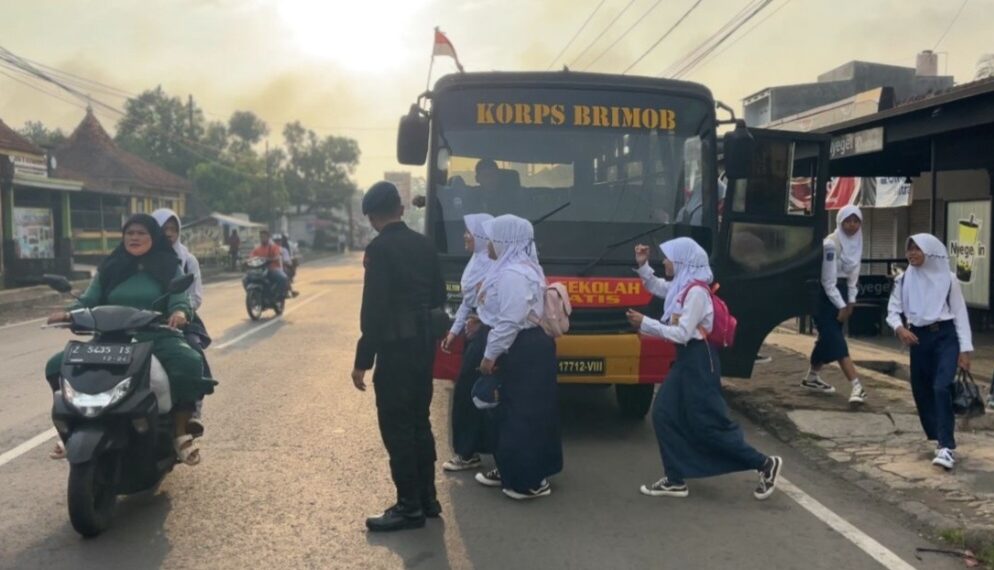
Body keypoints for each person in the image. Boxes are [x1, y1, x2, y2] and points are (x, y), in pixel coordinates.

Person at [45, 214, 215, 464]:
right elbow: (89, 298)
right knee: (56, 365)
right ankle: (70, 427)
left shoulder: (169, 265)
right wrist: (69, 312)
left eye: (141, 233)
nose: (134, 238)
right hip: (110, 337)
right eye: (129, 233)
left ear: (153, 237)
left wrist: (179, 312)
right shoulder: (111, 266)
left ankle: (179, 433)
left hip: (155, 336)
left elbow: (180, 298)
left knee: (188, 362)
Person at [627, 238, 782, 500]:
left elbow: (682, 333)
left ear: (683, 262)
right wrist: (642, 265)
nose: (664, 261)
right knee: (664, 413)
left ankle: (765, 464)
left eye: (669, 257)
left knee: (707, 423)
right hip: (687, 360)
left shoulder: (696, 292)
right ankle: (675, 478)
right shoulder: (681, 286)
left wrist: (646, 324)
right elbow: (656, 286)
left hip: (699, 360)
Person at [350, 181, 446, 532]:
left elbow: (373, 311)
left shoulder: (380, 250)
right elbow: (438, 295)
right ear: (401, 209)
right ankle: (427, 499)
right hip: (424, 348)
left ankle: (408, 507)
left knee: (397, 426)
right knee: (420, 422)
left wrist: (363, 360)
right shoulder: (425, 246)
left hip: (395, 350)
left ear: (373, 217)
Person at [472, 214, 563, 500]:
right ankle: (513, 467)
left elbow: (510, 321)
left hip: (522, 347)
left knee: (522, 414)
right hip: (526, 346)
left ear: (506, 241)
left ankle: (528, 481)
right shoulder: (519, 267)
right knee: (517, 411)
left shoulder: (514, 274)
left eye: (493, 238)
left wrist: (489, 356)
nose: (487, 244)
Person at [886, 234, 973, 470]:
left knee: (941, 386)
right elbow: (893, 311)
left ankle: (946, 446)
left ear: (930, 251)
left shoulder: (949, 280)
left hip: (945, 336)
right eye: (909, 249)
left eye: (917, 249)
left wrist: (965, 350)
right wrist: (900, 328)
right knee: (921, 389)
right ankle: (937, 436)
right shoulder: (903, 280)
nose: (912, 253)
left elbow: (960, 315)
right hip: (918, 339)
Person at [440, 213, 495, 472]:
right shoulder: (476, 261)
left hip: (488, 336)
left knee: (467, 392)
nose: (464, 236)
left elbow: (500, 305)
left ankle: (468, 451)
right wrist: (454, 331)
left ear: (483, 237)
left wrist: (481, 322)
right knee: (472, 393)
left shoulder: (494, 265)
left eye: (469, 232)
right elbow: (467, 301)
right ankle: (471, 449)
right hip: (476, 333)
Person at [152, 208, 212, 436]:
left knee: (194, 352)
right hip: (144, 321)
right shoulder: (143, 257)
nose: (168, 234)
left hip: (181, 320)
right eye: (163, 229)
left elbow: (196, 296)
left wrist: (180, 312)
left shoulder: (188, 260)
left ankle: (193, 410)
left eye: (172, 229)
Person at [802, 205, 868, 404]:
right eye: (848, 221)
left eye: (856, 221)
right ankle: (857, 385)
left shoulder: (857, 241)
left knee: (827, 338)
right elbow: (828, 282)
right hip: (826, 297)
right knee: (836, 340)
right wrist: (841, 305)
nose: (852, 225)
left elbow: (853, 275)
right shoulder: (831, 244)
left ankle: (812, 377)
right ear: (840, 221)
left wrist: (851, 301)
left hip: (843, 294)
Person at [250, 230, 288, 301]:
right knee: (246, 279)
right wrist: (246, 262)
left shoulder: (274, 247)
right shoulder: (257, 249)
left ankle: (278, 295)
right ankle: (254, 295)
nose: (263, 238)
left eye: (264, 237)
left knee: (283, 278)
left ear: (268, 237)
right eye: (261, 237)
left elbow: (277, 256)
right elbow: (251, 257)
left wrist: (271, 259)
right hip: (259, 270)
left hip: (272, 269)